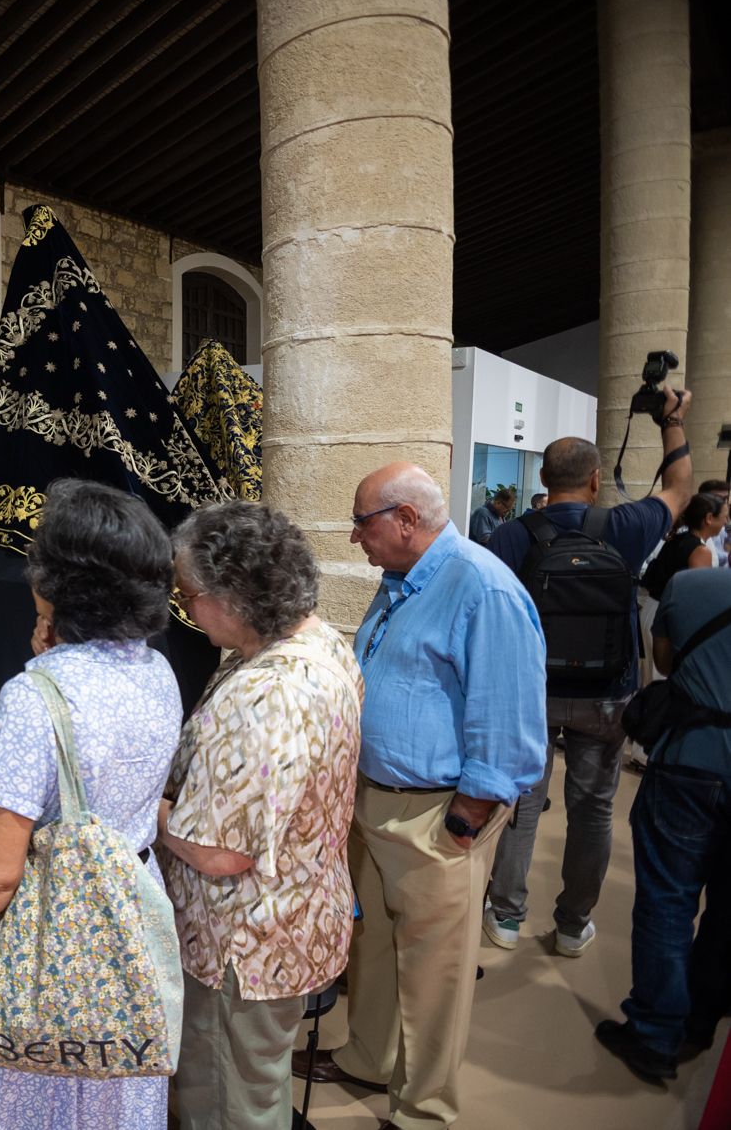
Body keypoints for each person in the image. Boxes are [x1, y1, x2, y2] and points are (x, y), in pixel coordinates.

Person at [291, 463, 546, 1130]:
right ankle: (371, 1059)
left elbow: (509, 722)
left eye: (362, 521)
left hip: (438, 812)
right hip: (376, 801)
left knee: (436, 971)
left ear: (406, 518)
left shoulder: (484, 588)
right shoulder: (401, 579)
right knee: (373, 946)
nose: (354, 536)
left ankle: (424, 1109)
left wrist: (465, 821)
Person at [0, 477, 183, 1130]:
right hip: (128, 912)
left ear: (58, 584)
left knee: (28, 1096)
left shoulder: (33, 696)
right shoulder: (158, 672)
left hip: (48, 932)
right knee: (113, 1089)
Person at [159, 502, 361, 1130]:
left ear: (235, 595)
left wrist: (144, 808)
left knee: (226, 1101)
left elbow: (219, 853)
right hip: (296, 913)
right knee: (254, 1084)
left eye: (188, 594)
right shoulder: (320, 642)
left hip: (243, 945)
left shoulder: (266, 693)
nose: (184, 609)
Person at [483, 386, 696, 956]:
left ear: (545, 482)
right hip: (608, 695)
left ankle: (504, 916)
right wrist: (672, 420)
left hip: (534, 692)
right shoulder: (625, 527)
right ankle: (573, 925)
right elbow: (680, 489)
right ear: (596, 480)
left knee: (522, 803)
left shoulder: (512, 533)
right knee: (594, 808)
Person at [596, 566, 731, 1082]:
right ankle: (702, 1019)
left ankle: (654, 1034)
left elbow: (668, 661)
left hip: (690, 762)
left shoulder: (692, 586)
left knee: (668, 901)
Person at [641, 493, 727, 603]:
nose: (726, 522)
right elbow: (699, 595)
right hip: (670, 614)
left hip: (653, 608)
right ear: (709, 518)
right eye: (724, 517)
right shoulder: (700, 551)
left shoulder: (676, 539)